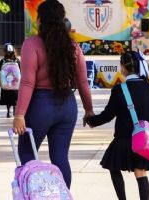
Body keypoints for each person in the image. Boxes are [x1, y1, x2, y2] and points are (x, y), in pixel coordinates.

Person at [12, 0, 93, 189]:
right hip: (67, 106)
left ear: (40, 20)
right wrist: (89, 110)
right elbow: (83, 82)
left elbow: (27, 81)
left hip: (40, 106)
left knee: (27, 155)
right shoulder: (73, 47)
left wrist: (19, 114)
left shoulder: (32, 44)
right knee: (60, 157)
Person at [86, 51, 149, 200]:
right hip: (143, 139)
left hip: (124, 138)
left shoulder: (120, 89)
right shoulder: (148, 87)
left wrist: (91, 121)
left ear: (124, 67)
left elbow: (108, 114)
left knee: (113, 167)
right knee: (140, 172)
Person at [0, 43, 20, 118]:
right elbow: (21, 71)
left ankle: (8, 111)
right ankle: (14, 110)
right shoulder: (17, 61)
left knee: (7, 98)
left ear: (4, 52)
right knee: (15, 98)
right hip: (15, 85)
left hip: (6, 85)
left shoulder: (3, 61)